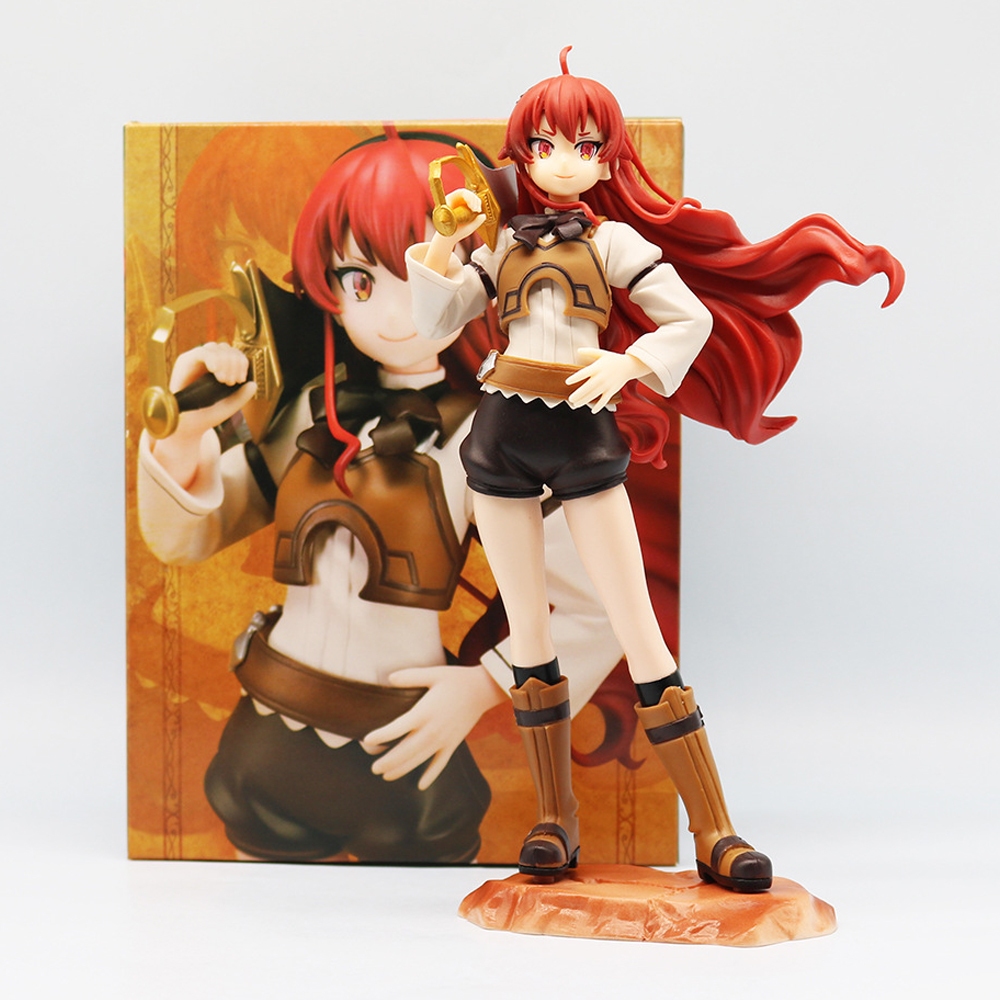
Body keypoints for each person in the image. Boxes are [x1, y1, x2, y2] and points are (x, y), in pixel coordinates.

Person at [406, 48, 904, 889]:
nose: (565, 162)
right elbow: (438, 320)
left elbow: (689, 320)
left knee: (639, 629)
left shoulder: (614, 242)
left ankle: (714, 830)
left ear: (607, 160)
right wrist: (440, 246)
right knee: (530, 631)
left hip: (582, 436)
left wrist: (631, 364)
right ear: (522, 155)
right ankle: (555, 821)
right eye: (546, 146)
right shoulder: (497, 246)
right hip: (501, 433)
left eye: (586, 146)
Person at [137, 129, 624, 863]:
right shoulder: (313, 411)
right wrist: (183, 436)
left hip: (407, 747)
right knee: (252, 914)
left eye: (429, 271)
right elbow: (190, 534)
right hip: (267, 732)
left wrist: (485, 686)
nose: (396, 315)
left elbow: (597, 606)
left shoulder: (490, 434)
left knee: (417, 917)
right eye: (361, 281)